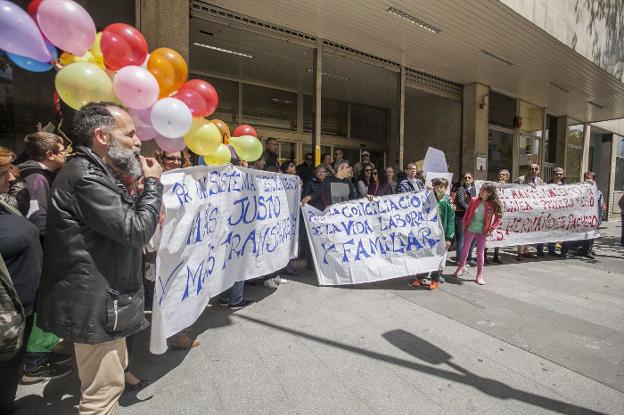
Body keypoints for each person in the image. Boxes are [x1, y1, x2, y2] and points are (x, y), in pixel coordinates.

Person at [36, 102, 164, 414]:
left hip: (104, 299)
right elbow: (134, 231)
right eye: (130, 134)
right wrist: (154, 186)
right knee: (101, 398)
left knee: (110, 381)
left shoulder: (96, 173)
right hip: (96, 303)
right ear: (102, 136)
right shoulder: (85, 178)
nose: (137, 142)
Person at [0, 146, 53, 414]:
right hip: (6, 316)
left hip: (22, 309)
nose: (11, 178)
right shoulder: (36, 180)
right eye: (3, 173)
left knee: (9, 376)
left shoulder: (5, 204)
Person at [17, 132, 72, 384]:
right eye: (62, 149)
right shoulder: (37, 178)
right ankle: (34, 363)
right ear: (49, 155)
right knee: (43, 301)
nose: (66, 153)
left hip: (38, 249)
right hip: (40, 250)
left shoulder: (35, 174)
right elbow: (37, 219)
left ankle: (44, 348)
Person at [147, 149, 198, 351]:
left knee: (180, 289)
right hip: (160, 245)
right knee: (162, 289)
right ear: (161, 159)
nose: (175, 162)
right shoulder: (151, 180)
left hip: (182, 245)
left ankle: (178, 333)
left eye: (179, 158)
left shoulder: (187, 181)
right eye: (170, 158)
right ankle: (164, 333)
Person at [453, 182, 502, 285]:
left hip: (482, 232)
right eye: (480, 190)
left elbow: (498, 217)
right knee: (465, 249)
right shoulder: (474, 200)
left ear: (489, 193)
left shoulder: (493, 204)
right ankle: (460, 267)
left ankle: (479, 275)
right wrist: (464, 223)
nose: (480, 192)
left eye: (482, 191)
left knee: (480, 253)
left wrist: (491, 229)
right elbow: (467, 212)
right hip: (470, 229)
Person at [410, 177, 454, 290]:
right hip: (428, 234)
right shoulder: (428, 198)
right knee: (424, 255)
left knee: (438, 258)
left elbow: (450, 220)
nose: (439, 189)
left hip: (441, 236)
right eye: (437, 186)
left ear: (446, 188)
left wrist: (449, 238)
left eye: (442, 187)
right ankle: (420, 277)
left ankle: (435, 280)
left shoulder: (447, 202)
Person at [514, 163, 544, 260]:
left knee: (532, 231)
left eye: (536, 169)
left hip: (535, 211)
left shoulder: (540, 181)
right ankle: (520, 253)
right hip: (523, 210)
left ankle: (529, 251)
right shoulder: (521, 179)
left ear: (538, 171)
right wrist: (525, 187)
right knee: (522, 231)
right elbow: (512, 190)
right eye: (532, 169)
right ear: (528, 170)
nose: (534, 171)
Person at [538, 167, 567, 257]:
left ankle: (552, 250)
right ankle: (540, 250)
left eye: (561, 174)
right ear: (553, 175)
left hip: (559, 213)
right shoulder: (546, 184)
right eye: (557, 174)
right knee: (543, 231)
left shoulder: (566, 186)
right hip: (547, 212)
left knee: (554, 232)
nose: (559, 176)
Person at [579, 171, 604, 259]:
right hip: (583, 216)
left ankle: (588, 251)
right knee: (584, 235)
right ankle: (582, 250)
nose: (587, 180)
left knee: (591, 235)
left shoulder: (598, 192)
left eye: (589, 178)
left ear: (594, 180)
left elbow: (600, 206)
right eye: (585, 178)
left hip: (593, 217)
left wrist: (599, 219)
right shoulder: (580, 190)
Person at [454, 172, 477, 263]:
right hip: (461, 216)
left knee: (472, 238)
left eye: (469, 177)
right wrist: (471, 210)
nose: (467, 179)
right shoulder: (461, 189)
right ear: (463, 180)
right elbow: (461, 202)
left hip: (473, 217)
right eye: (465, 178)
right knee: (462, 238)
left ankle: (468, 258)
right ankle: (459, 260)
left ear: (472, 179)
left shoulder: (475, 189)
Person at [489, 169, 510, 264]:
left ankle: (496, 255)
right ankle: (484, 255)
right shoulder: (494, 186)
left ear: (507, 177)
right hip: (493, 213)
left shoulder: (510, 187)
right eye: (500, 175)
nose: (501, 176)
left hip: (504, 214)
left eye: (504, 175)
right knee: (489, 233)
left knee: (499, 234)